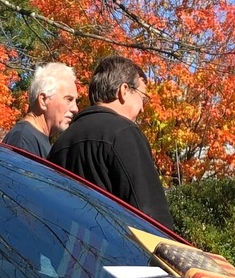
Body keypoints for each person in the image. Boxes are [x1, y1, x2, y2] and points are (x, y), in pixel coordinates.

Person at [49, 56, 174, 229]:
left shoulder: (60, 143)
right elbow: (152, 218)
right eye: (143, 98)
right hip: (114, 252)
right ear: (124, 90)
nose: (143, 108)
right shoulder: (123, 133)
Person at [3, 62, 80, 158]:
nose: (75, 109)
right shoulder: (23, 140)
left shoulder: (33, 139)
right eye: (69, 99)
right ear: (43, 100)